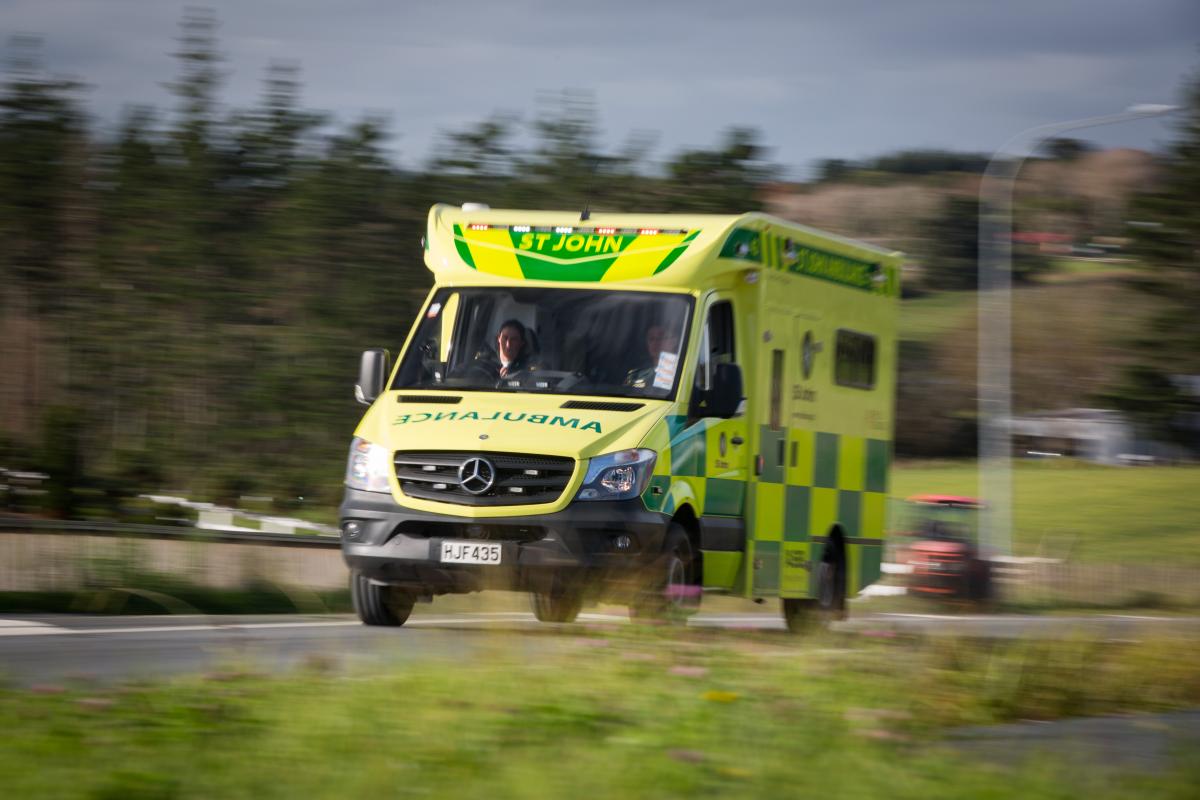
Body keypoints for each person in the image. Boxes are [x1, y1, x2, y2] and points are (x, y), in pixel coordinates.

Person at [470, 319, 537, 382]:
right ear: (499, 338)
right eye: (505, 338)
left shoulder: (527, 369)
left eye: (514, 340)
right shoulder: (484, 364)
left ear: (521, 343)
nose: (508, 344)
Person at [625, 324, 679, 390]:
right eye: (651, 338)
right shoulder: (636, 375)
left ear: (674, 341)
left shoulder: (681, 372)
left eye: (661, 338)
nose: (655, 342)